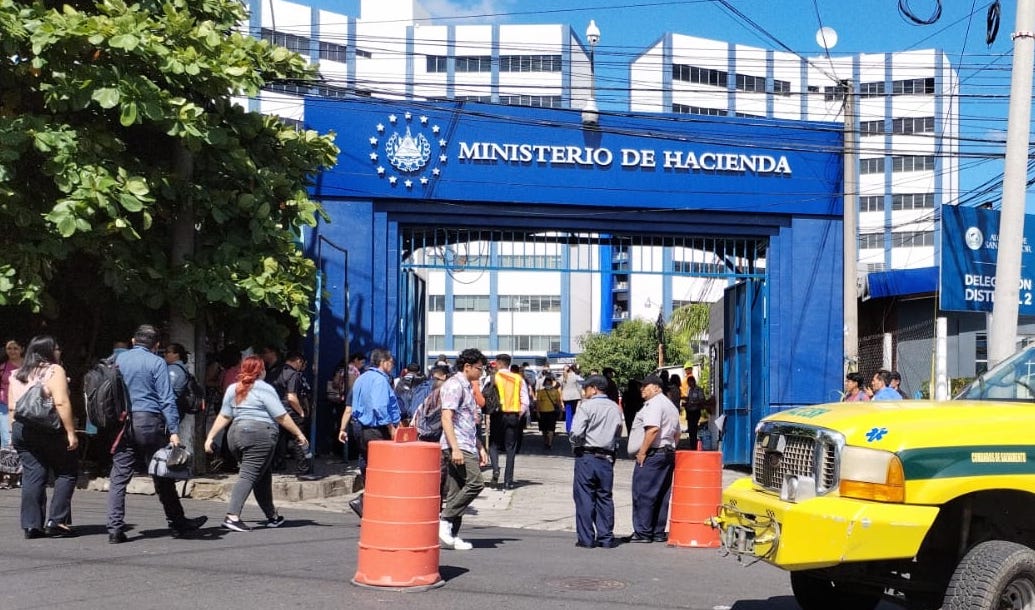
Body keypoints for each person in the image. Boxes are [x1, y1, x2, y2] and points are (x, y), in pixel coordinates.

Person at [107, 324, 207, 544]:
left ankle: (114, 528)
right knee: (163, 475)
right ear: (156, 345)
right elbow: (166, 398)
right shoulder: (157, 363)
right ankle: (178, 523)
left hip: (124, 424)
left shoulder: (118, 360)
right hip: (150, 423)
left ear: (134, 341)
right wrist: (174, 430)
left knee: (119, 477)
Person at [204, 355, 309, 531]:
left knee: (262, 473)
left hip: (235, 434)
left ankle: (272, 516)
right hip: (259, 435)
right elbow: (281, 415)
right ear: (261, 371)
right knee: (249, 475)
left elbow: (224, 415)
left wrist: (210, 437)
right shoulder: (264, 388)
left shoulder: (234, 388)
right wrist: (298, 433)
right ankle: (232, 516)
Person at [8, 336, 78, 538]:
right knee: (66, 472)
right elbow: (61, 402)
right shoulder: (54, 370)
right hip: (49, 429)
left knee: (33, 474)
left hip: (22, 429)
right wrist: (70, 432)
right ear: (48, 351)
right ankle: (57, 521)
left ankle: (32, 525)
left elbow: (12, 407)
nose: (59, 351)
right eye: (56, 348)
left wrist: (13, 431)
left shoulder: (17, 373)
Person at [439, 348, 489, 551]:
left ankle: (450, 535)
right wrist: (455, 448)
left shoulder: (468, 386)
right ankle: (445, 520)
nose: (481, 372)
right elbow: (446, 417)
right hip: (457, 444)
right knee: (476, 483)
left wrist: (480, 446)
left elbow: (468, 421)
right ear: (467, 367)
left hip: (467, 442)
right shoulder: (454, 385)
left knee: (456, 490)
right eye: (479, 368)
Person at [569, 375, 624, 549]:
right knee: (605, 497)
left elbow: (576, 432)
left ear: (594, 389)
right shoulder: (615, 408)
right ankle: (606, 538)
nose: (583, 391)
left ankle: (586, 539)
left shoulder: (586, 406)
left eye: (585, 387)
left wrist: (576, 445)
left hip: (587, 456)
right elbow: (618, 432)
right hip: (606, 457)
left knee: (585, 497)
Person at [626, 374, 681, 543]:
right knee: (661, 493)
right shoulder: (670, 405)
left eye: (646, 386)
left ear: (656, 388)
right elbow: (677, 433)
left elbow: (653, 429)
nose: (642, 389)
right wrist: (671, 448)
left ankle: (643, 532)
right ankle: (657, 531)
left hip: (654, 453)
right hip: (667, 452)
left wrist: (642, 452)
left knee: (643, 493)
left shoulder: (655, 403)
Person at [346, 348, 401, 517]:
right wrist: (391, 427)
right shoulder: (380, 380)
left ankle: (372, 504)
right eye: (391, 362)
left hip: (361, 428)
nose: (392, 366)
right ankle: (364, 500)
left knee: (370, 466)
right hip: (376, 429)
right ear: (383, 362)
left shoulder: (362, 378)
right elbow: (379, 406)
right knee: (382, 468)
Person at [486, 355, 529, 490]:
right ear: (508, 364)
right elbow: (525, 401)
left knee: (493, 444)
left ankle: (495, 469)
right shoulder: (518, 379)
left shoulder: (492, 377)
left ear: (499, 364)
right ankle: (508, 481)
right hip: (513, 415)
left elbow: (485, 395)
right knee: (511, 448)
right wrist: (518, 414)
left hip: (497, 415)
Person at [269, 351, 311, 477]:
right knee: (299, 438)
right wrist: (301, 412)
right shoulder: (293, 374)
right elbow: (292, 397)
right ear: (298, 361)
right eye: (301, 363)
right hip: (290, 411)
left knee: (279, 439)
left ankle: (277, 464)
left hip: (276, 410)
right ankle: (303, 468)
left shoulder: (275, 372)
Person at [0, 339, 26, 451]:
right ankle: (7, 461)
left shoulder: (29, 366)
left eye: (15, 348)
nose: (12, 351)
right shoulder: (3, 367)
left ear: (22, 349)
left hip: (25, 406)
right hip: (4, 406)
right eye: (9, 348)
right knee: (7, 438)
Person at [535, 377, 561, 450]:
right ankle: (546, 441)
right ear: (544, 384)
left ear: (551, 384)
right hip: (542, 412)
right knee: (544, 429)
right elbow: (538, 402)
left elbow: (558, 402)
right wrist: (537, 412)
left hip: (552, 412)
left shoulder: (555, 392)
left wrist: (561, 411)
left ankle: (549, 443)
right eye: (546, 384)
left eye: (549, 384)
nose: (548, 385)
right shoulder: (540, 392)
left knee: (551, 429)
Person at [683, 374, 705, 450]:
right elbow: (689, 399)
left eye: (690, 382)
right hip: (689, 412)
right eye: (688, 383)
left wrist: (693, 403)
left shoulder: (699, 390)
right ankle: (692, 445)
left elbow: (702, 401)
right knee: (690, 429)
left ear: (693, 381)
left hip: (696, 411)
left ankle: (695, 445)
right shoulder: (689, 390)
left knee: (694, 428)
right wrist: (686, 402)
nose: (689, 384)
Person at [559, 364, 583, 435]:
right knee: (573, 412)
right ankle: (572, 428)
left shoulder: (562, 377)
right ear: (571, 369)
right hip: (575, 396)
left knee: (568, 413)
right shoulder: (575, 376)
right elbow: (579, 387)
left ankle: (568, 429)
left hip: (566, 397)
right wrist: (581, 396)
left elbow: (559, 387)